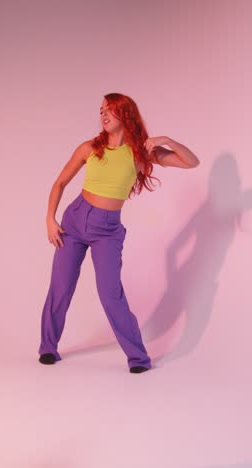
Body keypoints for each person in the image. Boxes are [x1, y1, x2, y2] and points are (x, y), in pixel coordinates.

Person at [38, 92, 200, 373]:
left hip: (108, 230)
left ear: (125, 114)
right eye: (101, 110)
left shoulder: (140, 153)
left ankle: (138, 358)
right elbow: (60, 182)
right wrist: (50, 219)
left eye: (110, 110)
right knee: (61, 288)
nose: (103, 114)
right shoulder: (89, 148)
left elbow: (191, 162)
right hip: (74, 221)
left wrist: (166, 141)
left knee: (110, 294)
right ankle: (48, 348)